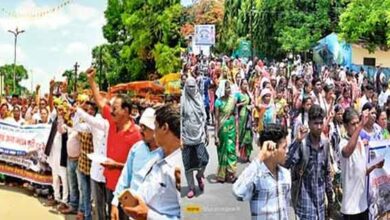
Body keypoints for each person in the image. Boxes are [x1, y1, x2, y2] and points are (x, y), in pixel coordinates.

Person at [86, 67, 142, 218]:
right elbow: (99, 101)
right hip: (110, 184)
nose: (110, 111)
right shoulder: (112, 121)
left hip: (126, 191)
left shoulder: (137, 135)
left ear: (126, 111)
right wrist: (91, 80)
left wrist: (115, 165)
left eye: (115, 108)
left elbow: (139, 168)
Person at [121, 104, 182, 219]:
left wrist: (148, 215)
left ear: (164, 128)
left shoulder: (180, 168)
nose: (154, 133)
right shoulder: (159, 155)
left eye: (155, 127)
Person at [111, 108, 163, 220]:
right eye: (141, 126)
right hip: (132, 212)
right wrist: (115, 203)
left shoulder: (165, 154)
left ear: (155, 130)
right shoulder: (136, 148)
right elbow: (125, 176)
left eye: (145, 128)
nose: (141, 130)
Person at [284, 104, 334, 220]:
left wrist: (330, 200)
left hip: (320, 204)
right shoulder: (302, 144)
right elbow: (286, 164)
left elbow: (327, 173)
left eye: (321, 123)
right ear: (309, 123)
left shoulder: (325, 144)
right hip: (305, 202)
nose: (319, 127)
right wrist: (297, 141)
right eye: (316, 123)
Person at [233, 123, 290, 219]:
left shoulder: (285, 174)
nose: (287, 151)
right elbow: (238, 192)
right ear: (273, 149)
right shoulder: (256, 176)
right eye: (284, 147)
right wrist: (260, 156)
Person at [339, 107, 384, 219]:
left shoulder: (360, 141)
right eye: (352, 124)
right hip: (350, 208)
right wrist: (360, 126)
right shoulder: (343, 143)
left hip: (362, 204)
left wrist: (375, 165)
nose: (356, 127)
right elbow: (347, 151)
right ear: (345, 126)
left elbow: (363, 170)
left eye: (357, 123)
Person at [181, 77, 209, 198]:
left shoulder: (199, 99)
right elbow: (180, 119)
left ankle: (199, 175)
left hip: (199, 135)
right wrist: (180, 138)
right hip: (186, 137)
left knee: (204, 160)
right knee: (188, 165)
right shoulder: (183, 100)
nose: (191, 89)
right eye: (189, 87)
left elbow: (204, 117)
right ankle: (191, 187)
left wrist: (206, 133)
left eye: (193, 86)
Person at [214, 80, 238, 183]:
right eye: (226, 88)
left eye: (229, 88)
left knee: (231, 150)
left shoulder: (233, 100)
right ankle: (222, 175)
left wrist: (236, 128)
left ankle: (231, 174)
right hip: (222, 129)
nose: (228, 90)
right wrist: (215, 136)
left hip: (231, 127)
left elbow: (235, 114)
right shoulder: (218, 102)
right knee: (222, 151)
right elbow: (216, 119)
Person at [236, 79, 254, 162]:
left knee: (248, 136)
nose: (245, 86)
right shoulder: (238, 95)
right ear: (241, 85)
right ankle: (242, 154)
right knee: (241, 135)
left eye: (246, 84)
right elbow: (233, 105)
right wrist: (241, 104)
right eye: (244, 84)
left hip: (249, 117)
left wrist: (251, 106)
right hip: (241, 117)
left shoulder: (249, 94)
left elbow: (253, 103)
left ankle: (248, 155)